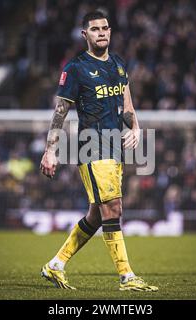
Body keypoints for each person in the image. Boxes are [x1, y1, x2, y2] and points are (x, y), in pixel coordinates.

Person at [40, 10, 158, 292]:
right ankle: (127, 277)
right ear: (85, 35)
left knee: (96, 214)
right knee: (113, 208)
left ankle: (55, 265)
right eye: (95, 29)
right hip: (92, 147)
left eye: (106, 28)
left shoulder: (118, 64)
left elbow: (127, 106)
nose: (102, 32)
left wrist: (136, 127)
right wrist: (50, 150)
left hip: (115, 147)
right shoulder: (76, 68)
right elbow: (60, 112)